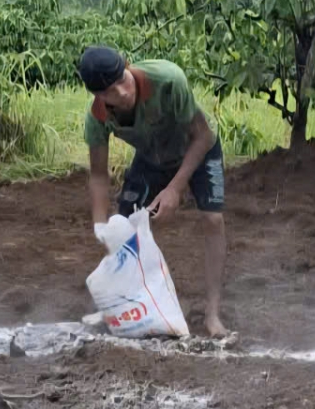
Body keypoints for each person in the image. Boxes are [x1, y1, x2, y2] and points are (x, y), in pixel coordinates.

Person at [79, 45, 228, 337]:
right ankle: (124, 305)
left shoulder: (168, 81)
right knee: (123, 232)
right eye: (109, 91)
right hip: (152, 157)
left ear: (128, 64)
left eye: (122, 79)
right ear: (98, 96)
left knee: (212, 220)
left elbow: (203, 136)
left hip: (197, 148)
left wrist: (175, 188)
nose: (121, 92)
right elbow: (98, 175)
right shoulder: (97, 118)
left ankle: (212, 313)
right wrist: (100, 226)